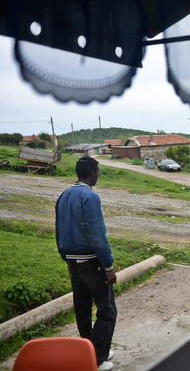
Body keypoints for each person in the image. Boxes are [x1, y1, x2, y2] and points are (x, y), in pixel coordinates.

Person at [55, 157, 117, 371]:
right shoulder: (89, 196)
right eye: (98, 171)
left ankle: (89, 351)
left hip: (72, 261)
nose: (98, 175)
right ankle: (96, 359)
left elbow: (58, 228)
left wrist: (65, 257)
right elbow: (97, 234)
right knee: (107, 310)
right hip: (91, 262)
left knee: (82, 308)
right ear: (92, 173)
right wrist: (108, 267)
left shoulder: (64, 195)